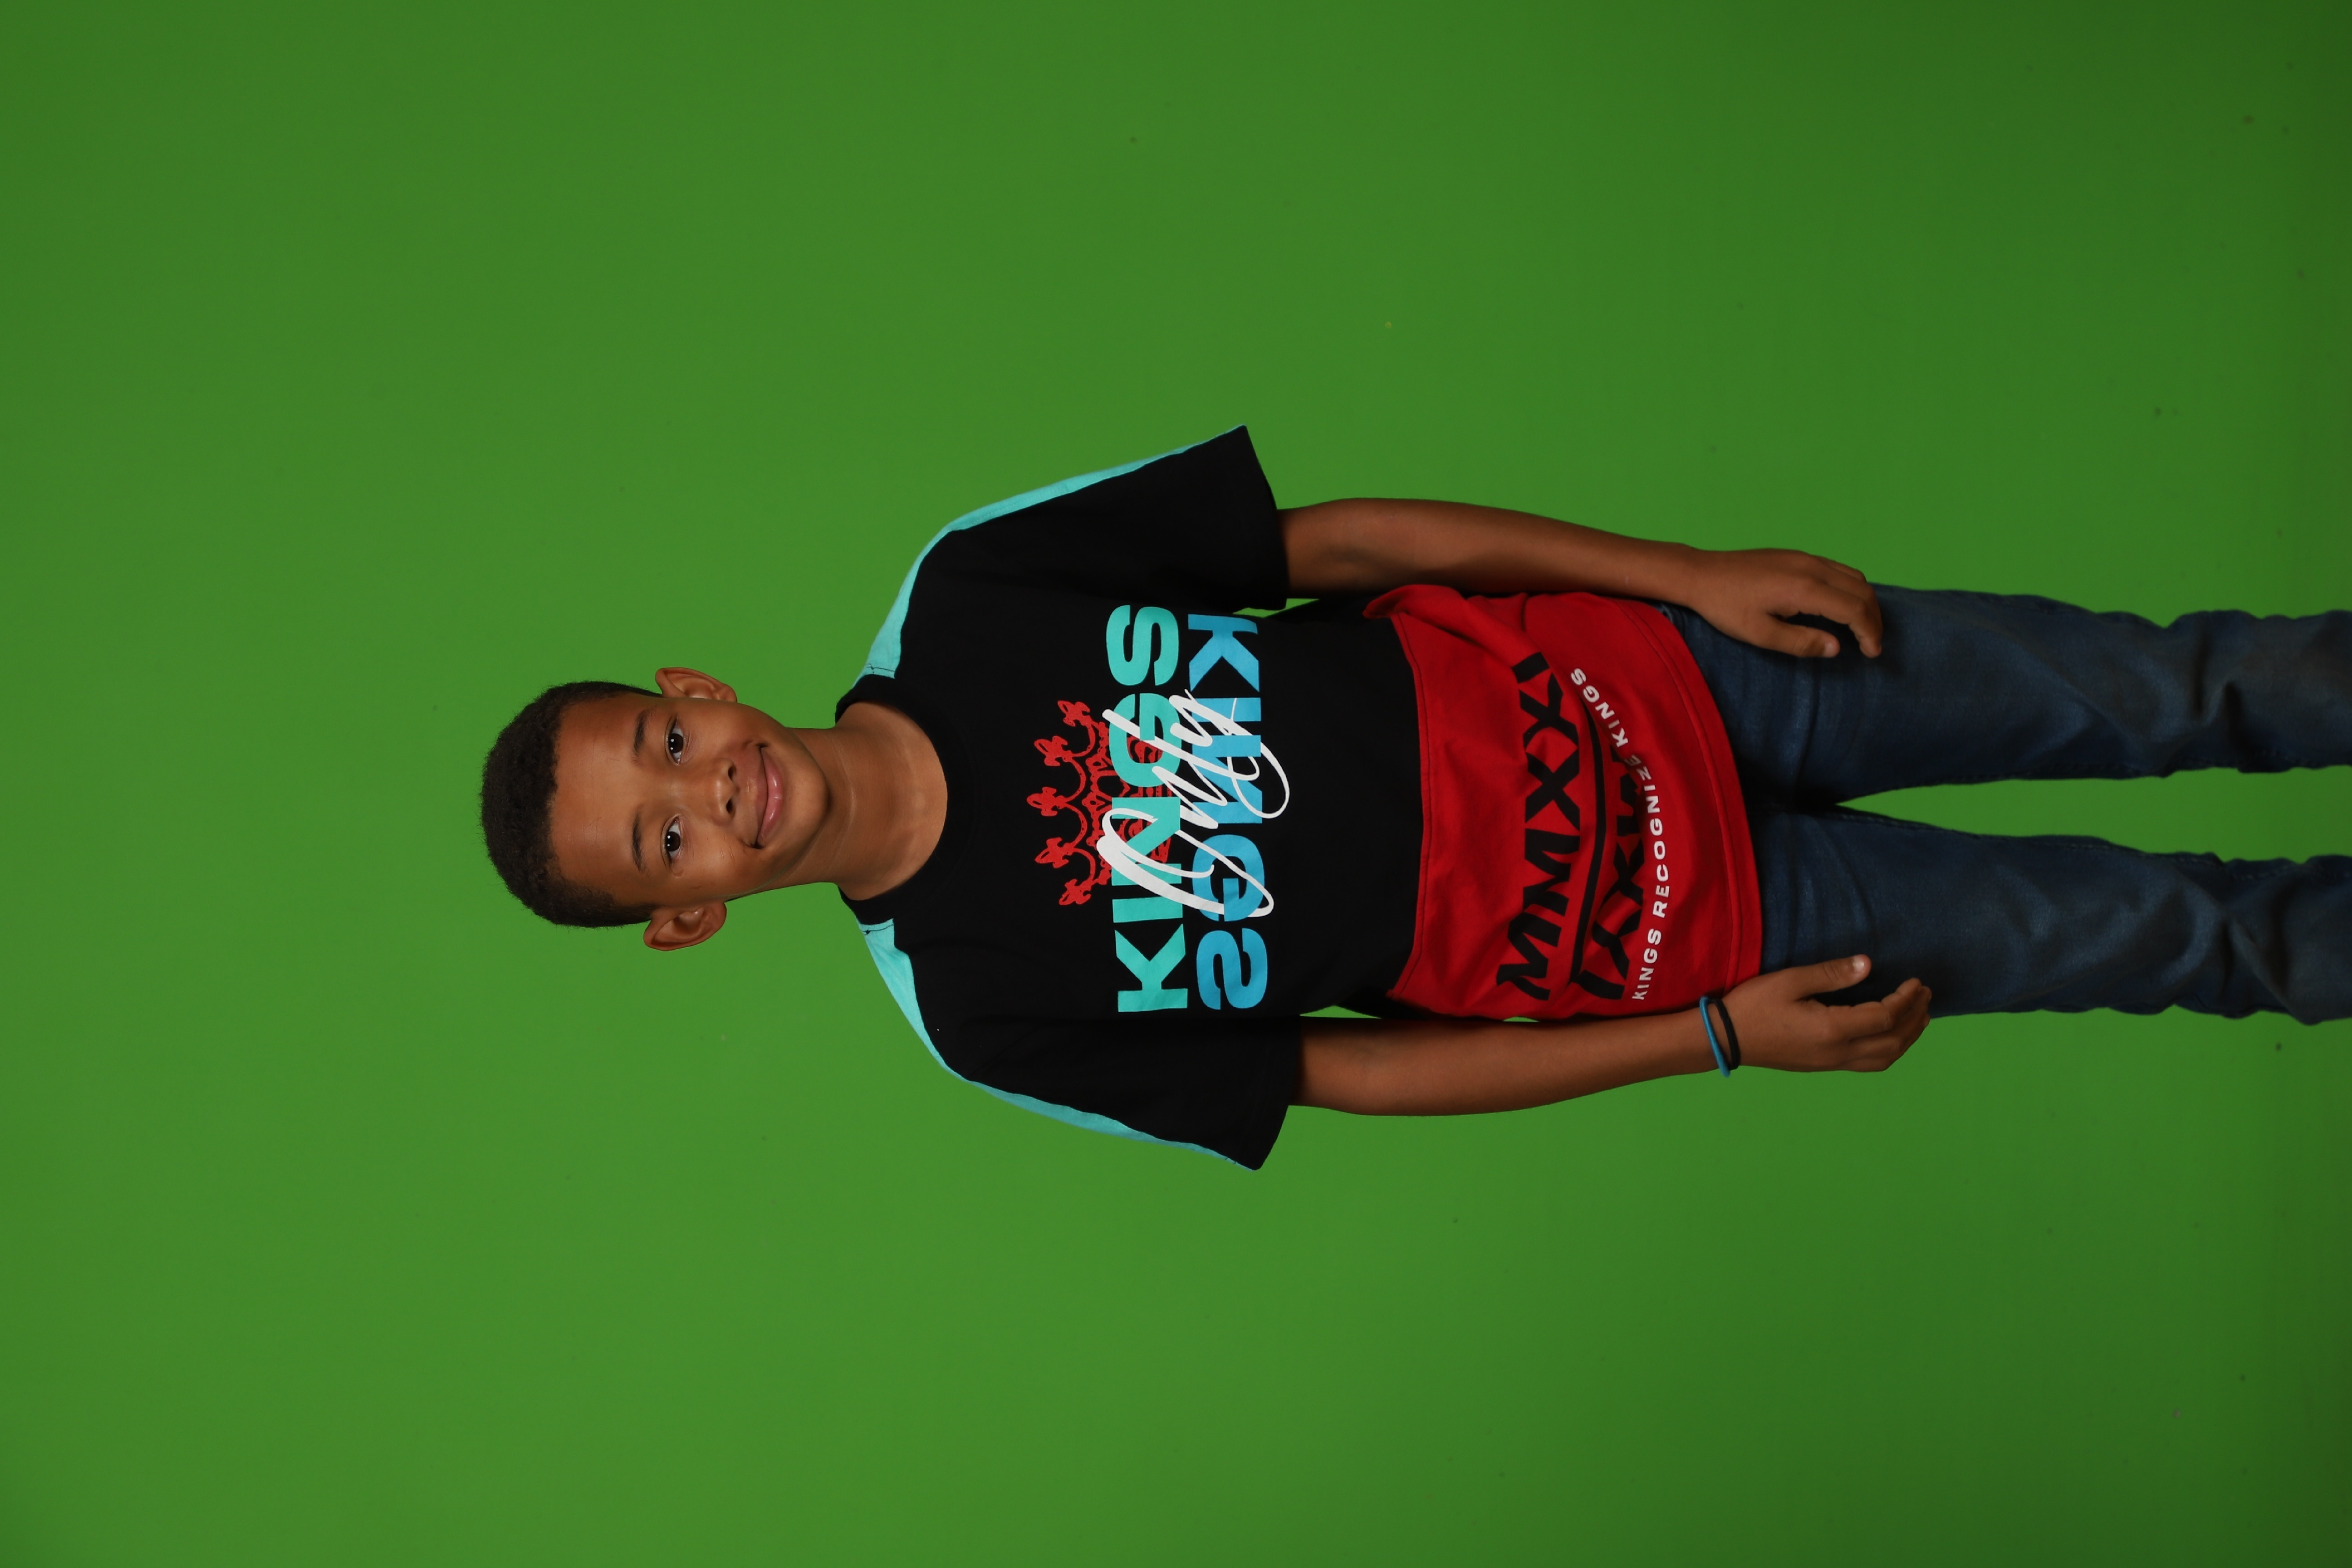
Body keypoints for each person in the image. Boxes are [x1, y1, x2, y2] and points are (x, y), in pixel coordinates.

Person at [478, 429, 2351, 1168]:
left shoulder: (968, 592)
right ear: (689, 912)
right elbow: (1357, 1073)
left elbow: (1342, 543)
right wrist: (1710, 1036)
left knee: (2172, 687)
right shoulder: (979, 1010)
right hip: (1702, 935)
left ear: (692, 689)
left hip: (1682, 671)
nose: (710, 791)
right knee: (2181, 939)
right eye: (666, 838)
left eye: (664, 745)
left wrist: (1683, 574)